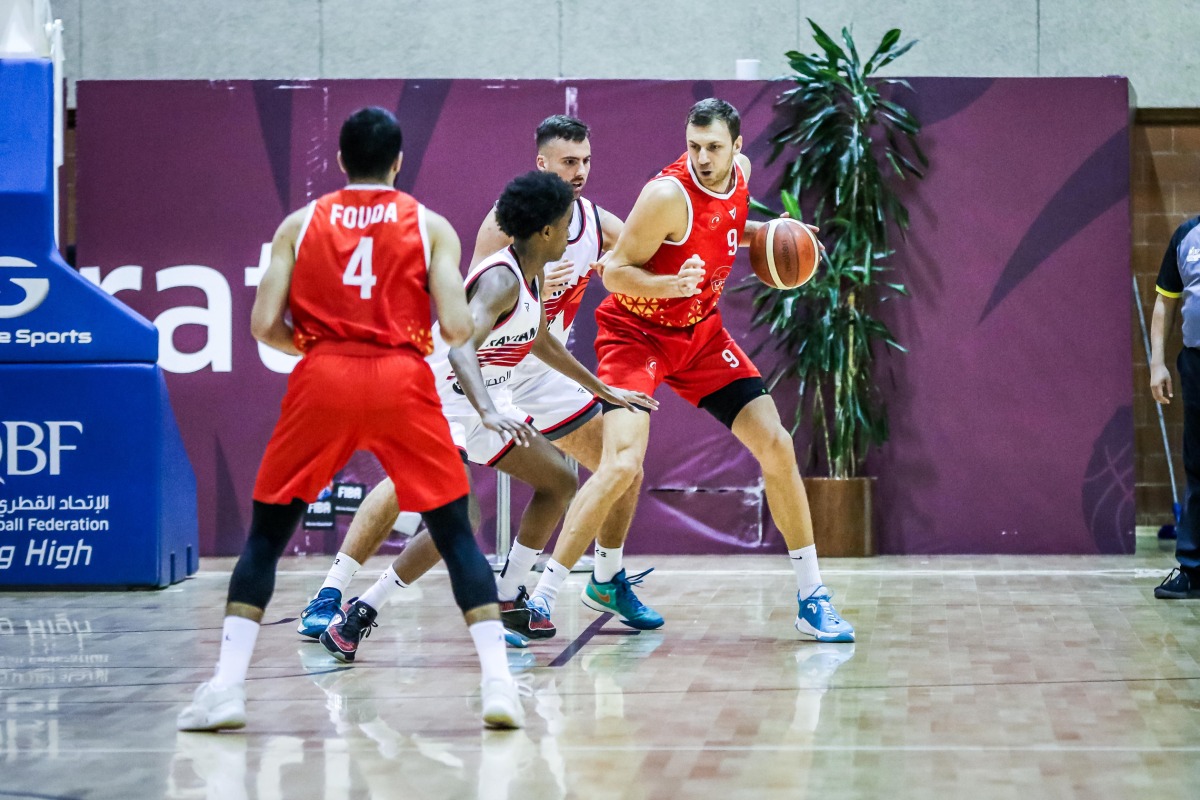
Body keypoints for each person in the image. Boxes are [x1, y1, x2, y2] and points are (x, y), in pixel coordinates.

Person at [177, 107, 530, 733]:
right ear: (398, 163)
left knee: (265, 536)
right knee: (453, 533)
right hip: (400, 376)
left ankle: (227, 689)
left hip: (324, 374)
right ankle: (499, 685)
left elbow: (262, 326)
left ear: (341, 162)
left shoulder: (299, 223)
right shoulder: (430, 226)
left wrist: (318, 350)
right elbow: (455, 328)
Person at [295, 115, 645, 640]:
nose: (581, 173)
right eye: (569, 163)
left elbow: (542, 339)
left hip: (495, 384)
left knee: (560, 480)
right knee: (458, 514)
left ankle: (512, 593)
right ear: (545, 227)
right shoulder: (503, 271)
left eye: (585, 161)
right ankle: (350, 603)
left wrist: (600, 388)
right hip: (445, 391)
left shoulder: (538, 266)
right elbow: (463, 342)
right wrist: (486, 409)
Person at [528, 98, 855, 642]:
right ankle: (543, 595)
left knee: (776, 443)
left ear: (737, 149)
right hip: (636, 336)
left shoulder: (740, 178)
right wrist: (666, 286)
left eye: (714, 148)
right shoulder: (664, 196)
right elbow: (614, 273)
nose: (702, 158)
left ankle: (812, 596)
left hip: (700, 336)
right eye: (694, 146)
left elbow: (726, 226)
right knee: (621, 464)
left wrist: (778, 235)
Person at [1149, 214, 1200, 599]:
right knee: (1198, 464)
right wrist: (1157, 363)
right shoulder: (1186, 235)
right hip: (1196, 363)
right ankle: (1192, 570)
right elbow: (1165, 303)